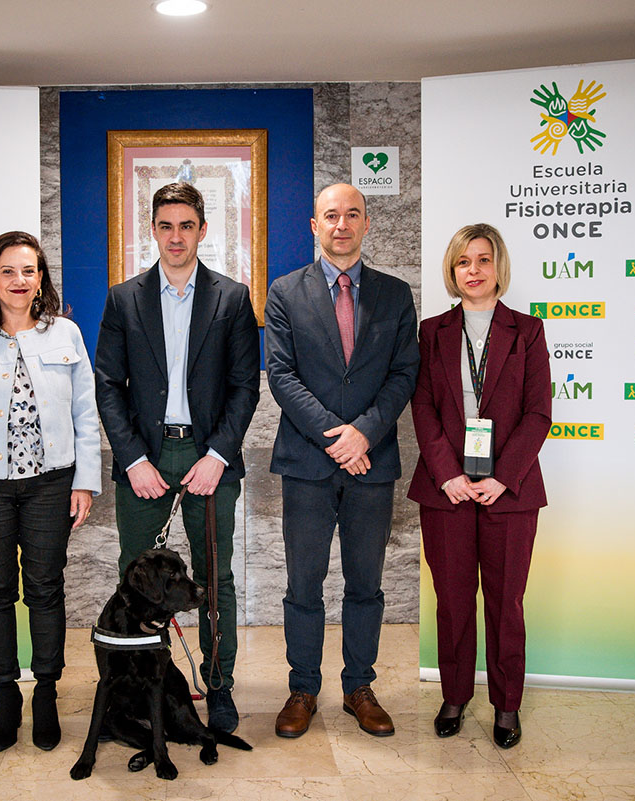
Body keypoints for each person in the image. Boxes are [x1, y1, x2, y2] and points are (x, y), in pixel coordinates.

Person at [94, 182, 260, 733]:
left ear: (203, 230)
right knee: (135, 580)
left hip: (207, 455)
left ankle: (218, 686)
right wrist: (135, 458)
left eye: (186, 225)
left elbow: (244, 387)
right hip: (144, 455)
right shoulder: (124, 299)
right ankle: (135, 694)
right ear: (153, 230)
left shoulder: (232, 298)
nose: (175, 236)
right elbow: (108, 385)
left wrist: (217, 454)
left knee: (215, 579)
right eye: (165, 225)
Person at [0, 230, 101, 753]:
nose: (19, 281)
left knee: (47, 589)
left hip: (52, 484)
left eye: (29, 270)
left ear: (41, 278)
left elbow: (84, 413)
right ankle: (7, 694)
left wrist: (86, 481)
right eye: (8, 271)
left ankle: (46, 691)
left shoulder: (66, 334)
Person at [265, 183, 419, 738]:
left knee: (366, 585)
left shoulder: (396, 295)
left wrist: (366, 435)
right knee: (303, 585)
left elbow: (405, 373)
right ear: (314, 225)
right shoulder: (285, 292)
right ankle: (303, 688)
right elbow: (281, 375)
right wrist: (339, 437)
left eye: (352, 214)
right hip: (309, 463)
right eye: (331, 215)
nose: (341, 224)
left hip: (371, 466)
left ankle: (359, 686)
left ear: (367, 223)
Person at [407, 223, 551, 749]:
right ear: (453, 269)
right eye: (464, 261)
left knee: (505, 603)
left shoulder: (528, 331)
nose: (474, 270)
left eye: (484, 260)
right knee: (453, 602)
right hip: (445, 491)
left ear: (498, 268)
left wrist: (501, 477)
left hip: (509, 494)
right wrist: (447, 473)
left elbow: (538, 415)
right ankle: (455, 695)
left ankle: (507, 704)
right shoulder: (431, 332)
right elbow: (422, 406)